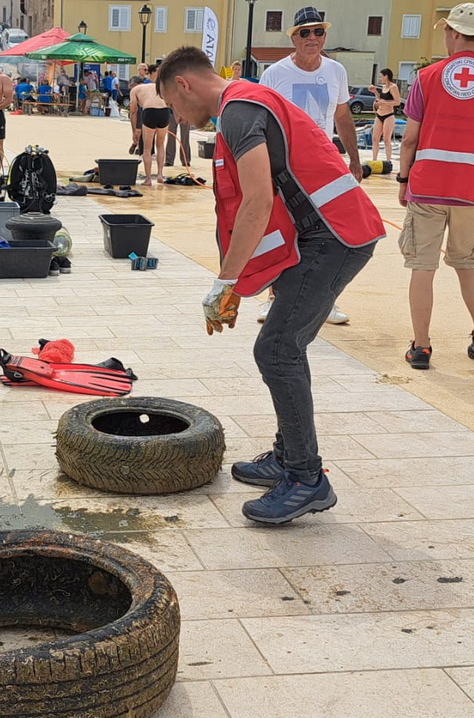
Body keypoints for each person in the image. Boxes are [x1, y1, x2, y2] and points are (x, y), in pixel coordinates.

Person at [157, 46, 382, 525]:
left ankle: (305, 478)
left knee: (278, 349)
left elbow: (256, 204)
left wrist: (225, 284)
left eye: (173, 108)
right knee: (284, 345)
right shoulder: (247, 100)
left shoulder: (238, 112)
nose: (177, 117)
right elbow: (273, 204)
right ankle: (287, 457)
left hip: (335, 237)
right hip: (327, 234)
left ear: (184, 85)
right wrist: (246, 284)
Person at [397, 3, 474, 369]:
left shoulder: (427, 77)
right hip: (472, 190)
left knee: (423, 266)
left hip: (428, 186)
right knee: (467, 263)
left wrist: (403, 179)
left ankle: (421, 347)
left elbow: (409, 140)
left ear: (453, 33)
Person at [260, 7, 360, 325]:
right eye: (305, 32)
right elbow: (262, 121)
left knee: (330, 235)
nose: (313, 38)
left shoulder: (335, 71)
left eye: (319, 32)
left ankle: (324, 302)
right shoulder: (275, 74)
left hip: (325, 164)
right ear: (293, 37)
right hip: (286, 164)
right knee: (285, 231)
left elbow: (342, 117)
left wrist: (354, 161)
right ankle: (274, 298)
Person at [128, 76, 172, 184]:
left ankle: (148, 179)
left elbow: (133, 111)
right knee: (160, 144)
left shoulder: (135, 90)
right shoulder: (157, 86)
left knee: (147, 148)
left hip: (149, 111)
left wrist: (134, 131)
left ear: (133, 85)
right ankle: (160, 175)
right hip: (164, 111)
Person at [372, 68, 403, 164]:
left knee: (386, 139)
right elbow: (380, 99)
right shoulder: (384, 87)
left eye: (381, 76)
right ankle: (374, 159)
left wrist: (384, 102)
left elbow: (397, 102)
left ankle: (388, 160)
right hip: (379, 114)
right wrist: (375, 92)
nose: (380, 78)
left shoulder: (393, 87)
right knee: (375, 138)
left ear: (386, 76)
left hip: (388, 115)